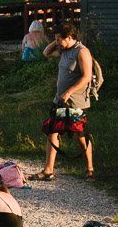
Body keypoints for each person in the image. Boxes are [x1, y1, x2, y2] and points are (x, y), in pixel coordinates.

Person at [35, 24, 95, 180]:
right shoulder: (64, 51)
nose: (57, 41)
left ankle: (90, 170)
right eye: (56, 39)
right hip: (60, 101)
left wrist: (69, 92)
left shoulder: (82, 52)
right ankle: (48, 171)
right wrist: (57, 41)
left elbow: (86, 77)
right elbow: (46, 53)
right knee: (52, 130)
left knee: (80, 135)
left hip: (76, 103)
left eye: (59, 38)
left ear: (70, 37)